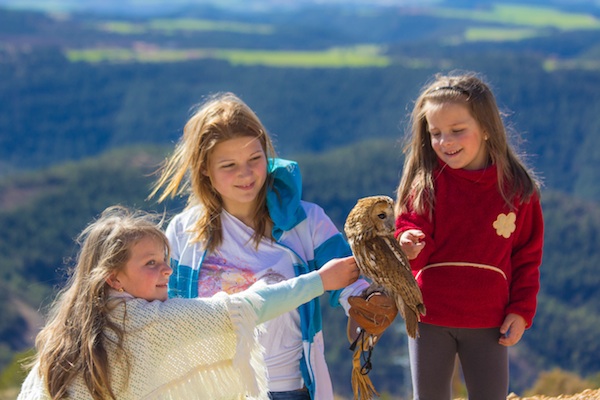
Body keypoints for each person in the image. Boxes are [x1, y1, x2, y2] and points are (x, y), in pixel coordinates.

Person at [151, 92, 370, 400]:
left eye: (255, 159)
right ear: (204, 169)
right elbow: (161, 307)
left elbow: (348, 278)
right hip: (212, 390)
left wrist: (367, 301)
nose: (246, 173)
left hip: (287, 388)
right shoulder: (184, 232)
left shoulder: (305, 221)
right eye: (229, 165)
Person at [17, 205, 359, 400]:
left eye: (165, 258)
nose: (168, 269)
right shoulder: (146, 322)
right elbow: (245, 308)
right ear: (113, 278)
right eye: (151, 263)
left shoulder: (65, 331)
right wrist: (321, 281)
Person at [394, 72, 544, 400]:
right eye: (435, 133)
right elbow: (413, 243)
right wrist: (408, 243)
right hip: (428, 316)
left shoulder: (518, 191)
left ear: (487, 128)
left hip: (490, 321)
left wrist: (521, 309)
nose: (445, 141)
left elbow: (526, 258)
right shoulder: (425, 186)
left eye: (458, 131)